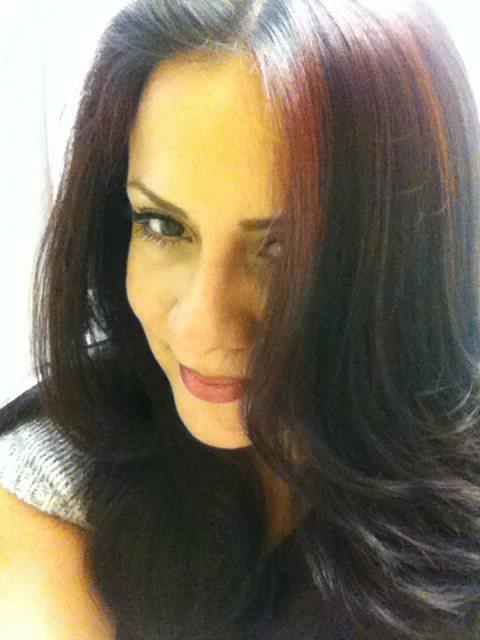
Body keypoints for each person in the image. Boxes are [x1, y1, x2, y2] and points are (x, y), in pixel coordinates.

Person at [1, 0, 480, 638]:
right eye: (162, 225)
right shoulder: (58, 475)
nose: (199, 329)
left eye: (284, 248)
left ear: (414, 251)